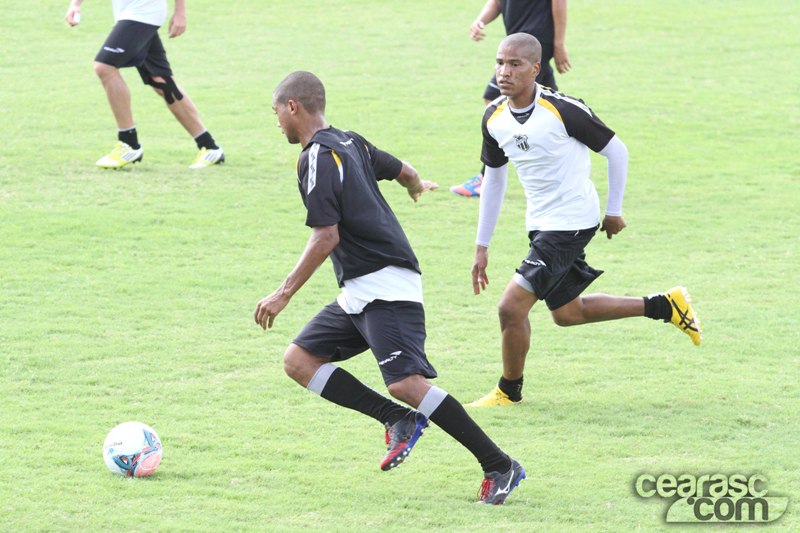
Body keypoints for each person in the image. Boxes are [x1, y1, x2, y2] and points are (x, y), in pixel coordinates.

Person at [254, 71, 524, 504]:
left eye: (276, 114)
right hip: (361, 289)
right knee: (299, 360)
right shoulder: (351, 141)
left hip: (384, 283)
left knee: (406, 382)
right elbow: (404, 170)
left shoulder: (317, 159)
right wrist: (416, 186)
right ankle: (397, 419)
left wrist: (283, 292)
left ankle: (499, 464)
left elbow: (326, 236)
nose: (277, 124)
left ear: (293, 107)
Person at [467, 34, 702, 407]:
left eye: (514, 64)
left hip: (572, 219)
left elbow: (617, 150)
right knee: (567, 313)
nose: (503, 71)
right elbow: (493, 179)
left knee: (510, 307)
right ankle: (665, 305)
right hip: (540, 222)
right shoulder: (494, 116)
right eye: (499, 63)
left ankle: (508, 391)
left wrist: (613, 211)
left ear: (535, 68)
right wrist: (482, 245)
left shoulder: (563, 109)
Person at [65, 0, 224, 169]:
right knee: (162, 82)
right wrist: (75, 4)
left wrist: (180, 11)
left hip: (144, 13)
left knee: (104, 67)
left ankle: (129, 143)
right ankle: (210, 147)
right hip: (129, 13)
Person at [452, 0, 571, 197]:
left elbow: (559, 2)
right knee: (553, 106)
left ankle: (487, 177)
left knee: (496, 100)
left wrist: (559, 44)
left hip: (535, 43)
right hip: (518, 42)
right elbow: (497, 2)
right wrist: (480, 21)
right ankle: (562, 163)